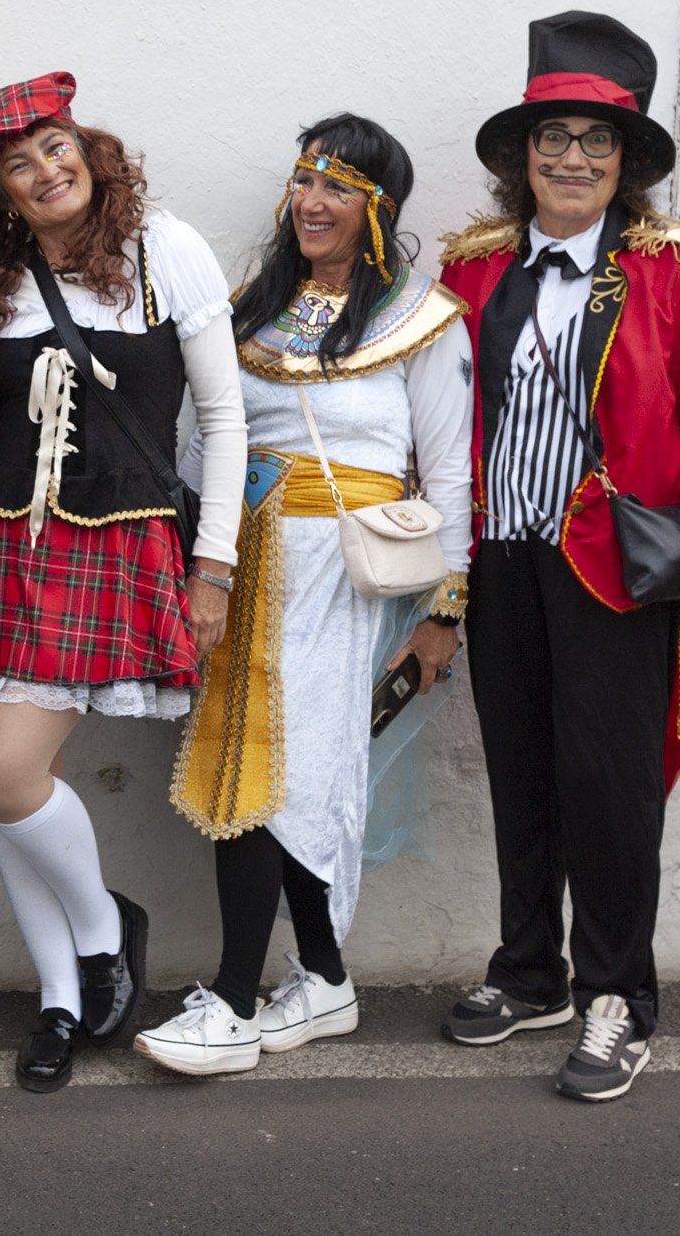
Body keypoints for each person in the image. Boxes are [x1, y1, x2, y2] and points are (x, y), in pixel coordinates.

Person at [437, 11, 680, 1102]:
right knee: (522, 773)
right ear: (520, 155)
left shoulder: (679, 272)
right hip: (500, 562)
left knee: (611, 787)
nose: (571, 158)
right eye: (552, 137)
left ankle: (617, 993)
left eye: (595, 140)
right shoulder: (475, 271)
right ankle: (528, 965)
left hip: (616, 570)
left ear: (625, 164)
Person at [139, 115, 472, 1078]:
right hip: (242, 563)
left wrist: (445, 614)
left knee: (287, 769)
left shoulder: (423, 320)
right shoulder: (249, 312)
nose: (312, 202)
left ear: (379, 210)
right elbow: (202, 442)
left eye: (338, 187)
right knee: (258, 759)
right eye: (304, 182)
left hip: (346, 574)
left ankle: (235, 1001)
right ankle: (323, 977)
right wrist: (197, 558)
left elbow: (449, 477)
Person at [0, 72, 248, 1094]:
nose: (45, 168)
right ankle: (60, 996)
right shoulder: (0, 275)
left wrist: (214, 564)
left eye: (55, 146)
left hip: (111, 544)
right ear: (2, 192)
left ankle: (108, 931)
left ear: (89, 148)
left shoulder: (167, 247)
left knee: (0, 772)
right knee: (3, 785)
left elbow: (222, 417)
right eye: (19, 163)